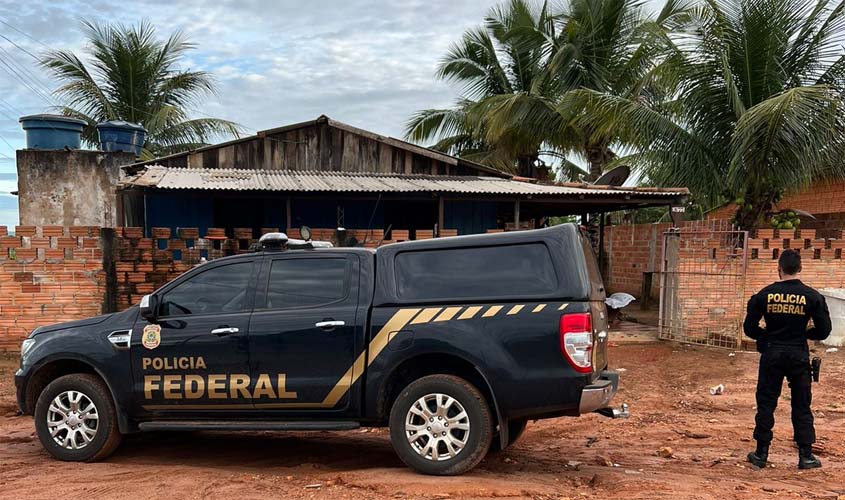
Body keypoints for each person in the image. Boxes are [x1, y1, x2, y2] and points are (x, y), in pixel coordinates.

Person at [743, 249, 831, 469]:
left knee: (766, 403)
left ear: (779, 268)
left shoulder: (764, 295)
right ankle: (806, 456)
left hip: (772, 354)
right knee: (801, 404)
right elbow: (824, 330)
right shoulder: (812, 296)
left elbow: (749, 328)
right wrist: (804, 334)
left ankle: (761, 453)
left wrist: (766, 336)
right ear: (800, 269)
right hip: (798, 355)